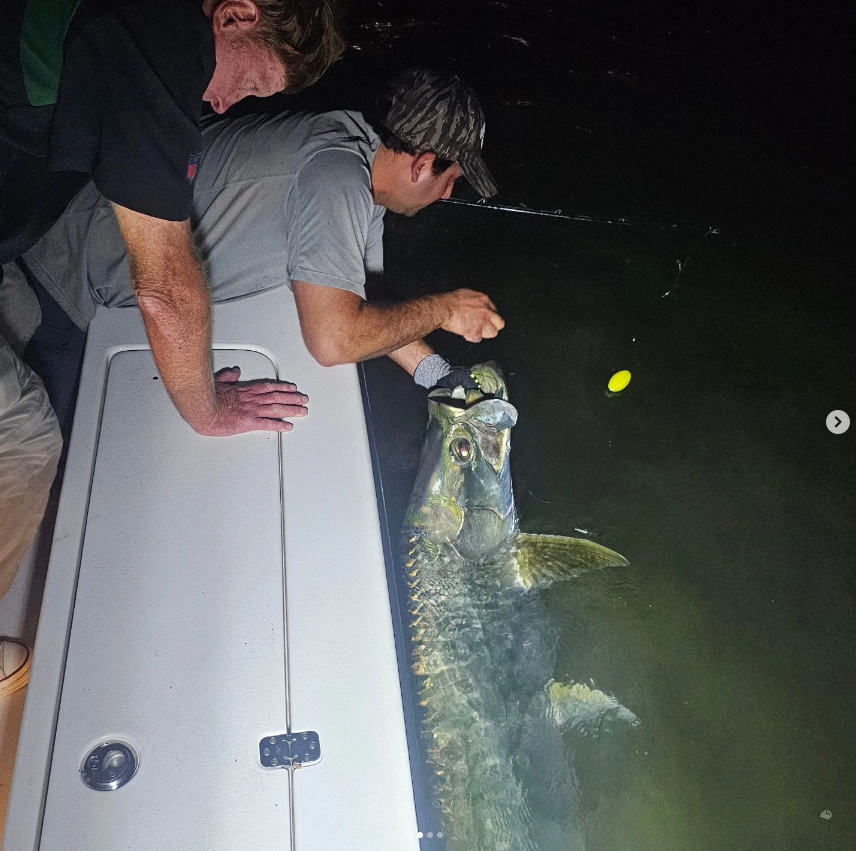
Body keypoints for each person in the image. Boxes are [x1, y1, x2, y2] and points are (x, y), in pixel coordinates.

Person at [17, 69, 506, 395]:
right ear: (423, 165)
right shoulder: (336, 178)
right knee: (39, 470)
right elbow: (334, 340)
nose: (445, 197)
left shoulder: (354, 149)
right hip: (58, 285)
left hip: (67, 238)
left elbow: (365, 301)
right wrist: (444, 308)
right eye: (451, 181)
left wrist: (439, 377)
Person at [1, 0, 344, 437]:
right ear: (235, 15)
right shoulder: (161, 39)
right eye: (249, 83)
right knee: (27, 438)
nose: (224, 105)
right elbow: (164, 287)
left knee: (22, 315)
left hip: (16, 249)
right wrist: (210, 412)